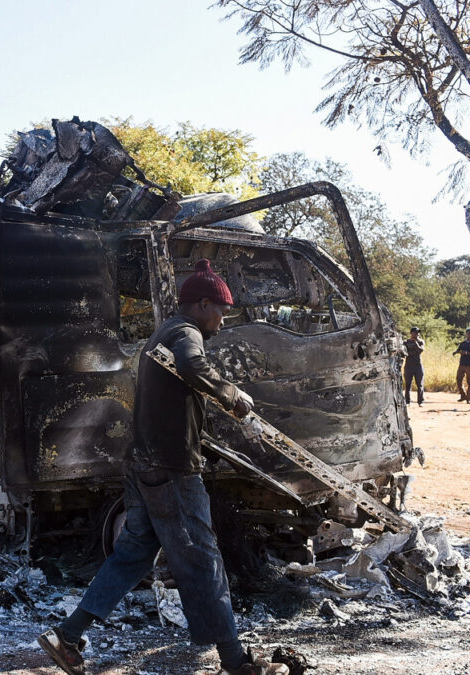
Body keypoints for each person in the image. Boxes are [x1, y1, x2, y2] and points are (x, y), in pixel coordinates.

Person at [37, 259, 287, 675]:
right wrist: (230, 395)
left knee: (133, 554)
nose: (223, 321)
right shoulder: (186, 333)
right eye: (221, 311)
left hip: (143, 465)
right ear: (202, 303)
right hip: (170, 469)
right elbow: (192, 365)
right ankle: (234, 660)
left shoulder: (163, 332)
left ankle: (67, 636)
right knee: (202, 559)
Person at [453, 328, 470, 403]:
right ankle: (463, 395)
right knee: (458, 379)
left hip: (469, 364)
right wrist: (456, 352)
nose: (469, 334)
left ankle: (469, 398)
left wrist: (467, 353)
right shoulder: (463, 342)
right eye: (468, 332)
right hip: (462, 363)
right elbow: (459, 350)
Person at [403, 327, 425, 406]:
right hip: (408, 365)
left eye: (418, 333)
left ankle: (421, 401)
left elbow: (420, 351)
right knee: (408, 384)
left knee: (420, 384)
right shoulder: (406, 342)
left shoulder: (421, 341)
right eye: (415, 333)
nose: (417, 334)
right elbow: (404, 352)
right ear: (411, 333)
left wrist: (415, 342)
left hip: (418, 365)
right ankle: (407, 401)